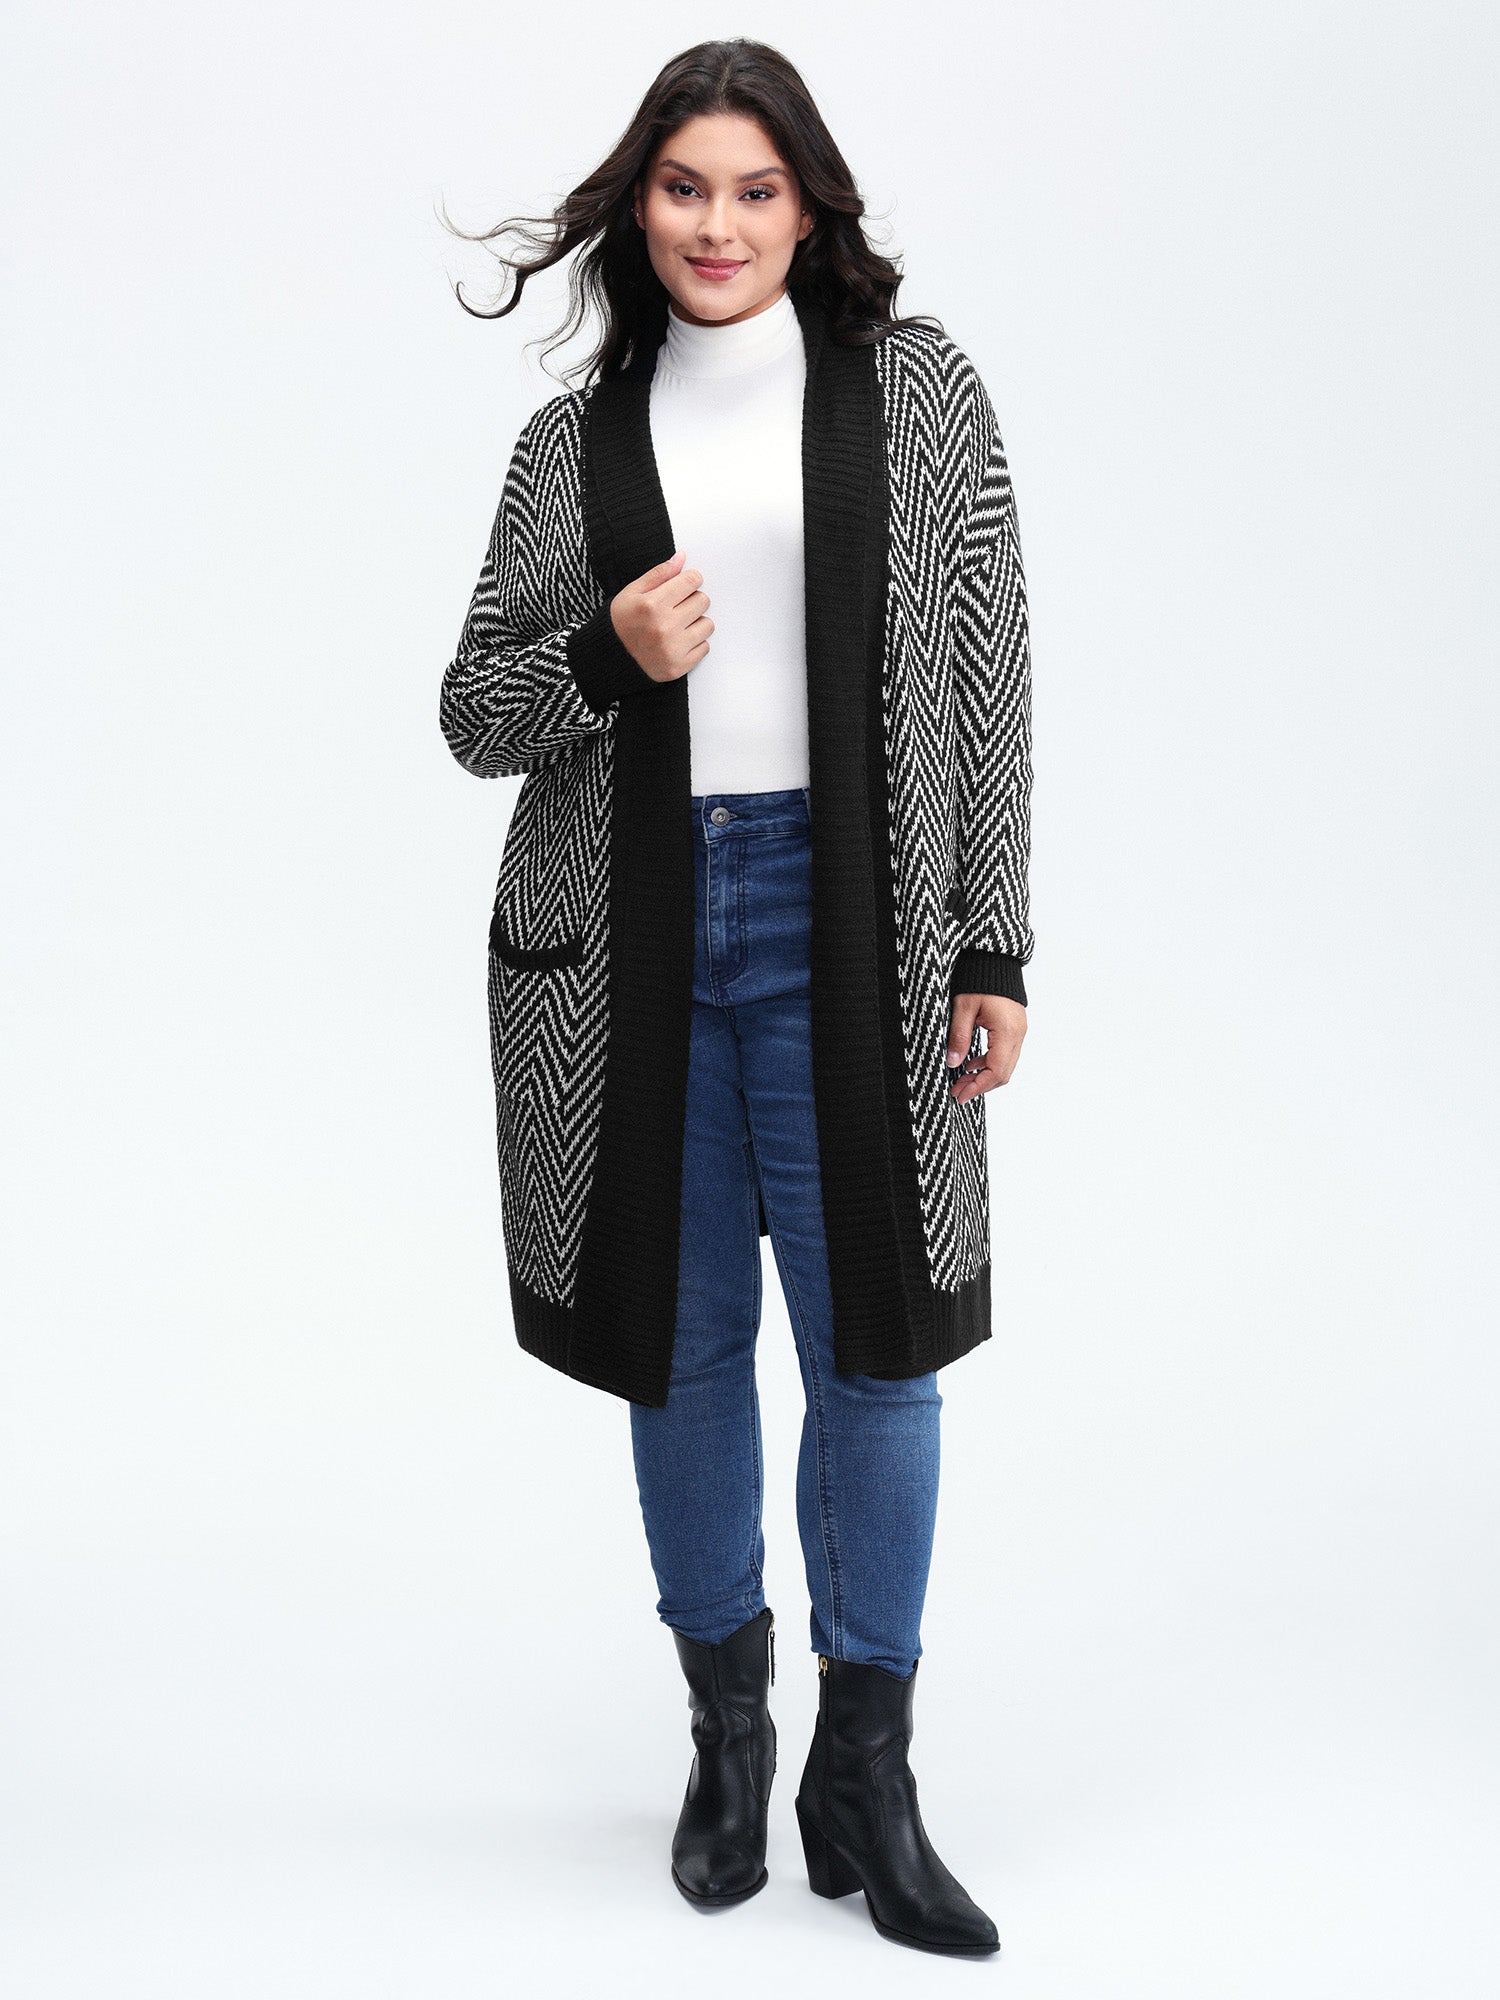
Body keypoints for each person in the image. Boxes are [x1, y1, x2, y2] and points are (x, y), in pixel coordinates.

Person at [438, 38, 1033, 1960]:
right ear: (642, 207)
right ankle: (729, 1734)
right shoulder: (574, 447)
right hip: (632, 941)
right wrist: (607, 653)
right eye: (685, 188)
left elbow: (991, 670)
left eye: (754, 190)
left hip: (858, 925)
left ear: (807, 207)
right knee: (681, 1353)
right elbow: (472, 714)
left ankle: (868, 1767)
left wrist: (994, 943)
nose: (718, 224)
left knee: (881, 1350)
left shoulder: (916, 393)